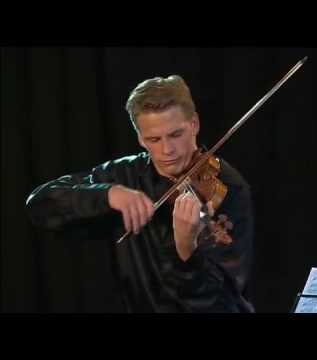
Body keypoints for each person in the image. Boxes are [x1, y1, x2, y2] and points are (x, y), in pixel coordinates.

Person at [25, 75, 255, 313]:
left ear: (194, 124)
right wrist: (107, 195)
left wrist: (187, 248)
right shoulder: (124, 174)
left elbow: (220, 300)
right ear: (140, 138)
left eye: (175, 134)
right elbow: (40, 206)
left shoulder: (228, 188)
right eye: (153, 139)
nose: (167, 150)